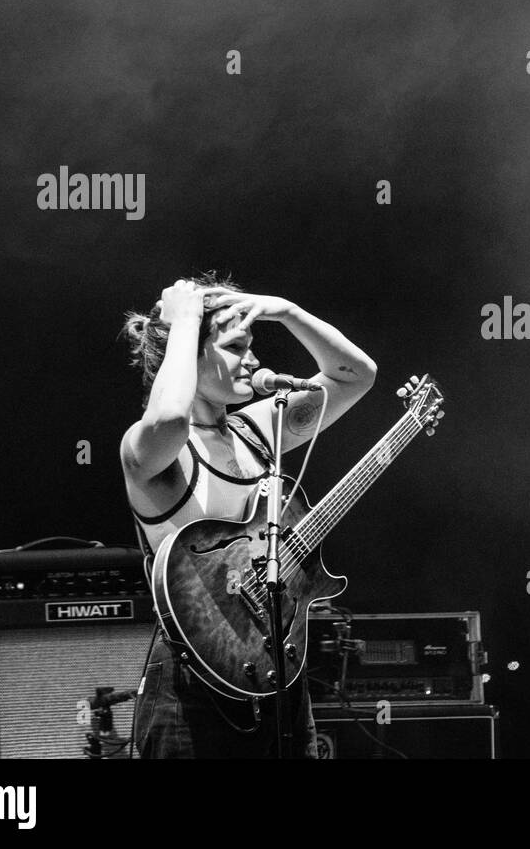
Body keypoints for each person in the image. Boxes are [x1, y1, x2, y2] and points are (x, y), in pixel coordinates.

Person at [119, 273, 377, 757]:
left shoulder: (256, 430)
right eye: (237, 346)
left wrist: (287, 309)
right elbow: (172, 416)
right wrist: (185, 320)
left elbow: (355, 375)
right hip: (193, 695)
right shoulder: (151, 447)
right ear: (187, 353)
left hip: (277, 678)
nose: (255, 360)